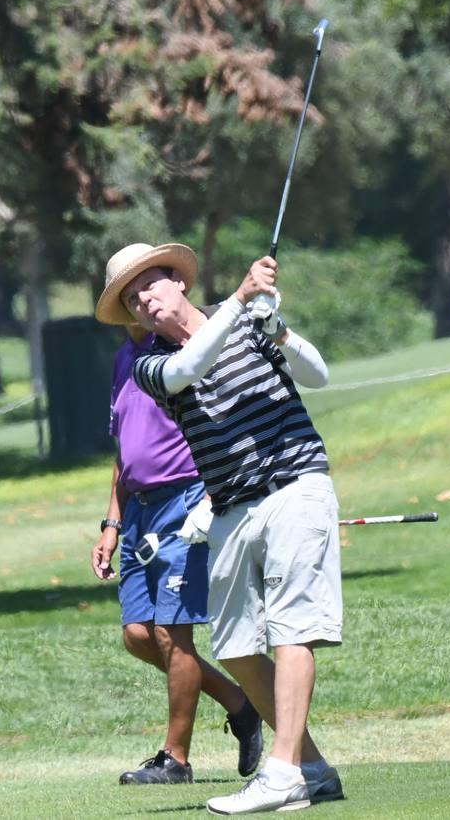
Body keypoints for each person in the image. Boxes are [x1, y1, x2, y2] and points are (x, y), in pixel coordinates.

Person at [96, 242, 345, 814]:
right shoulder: (149, 365)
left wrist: (278, 329)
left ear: (179, 283)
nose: (145, 302)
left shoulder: (247, 322)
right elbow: (189, 368)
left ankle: (281, 771)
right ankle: (311, 766)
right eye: (133, 300)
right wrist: (239, 300)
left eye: (151, 286)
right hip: (231, 506)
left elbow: (319, 375)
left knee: (290, 629)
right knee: (234, 646)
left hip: (293, 483)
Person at [91, 314, 264, 787]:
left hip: (184, 502)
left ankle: (176, 760)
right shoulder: (124, 359)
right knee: (138, 636)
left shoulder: (174, 350)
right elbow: (124, 451)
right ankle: (240, 702)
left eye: (142, 293)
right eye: (126, 296)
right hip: (139, 513)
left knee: (171, 634)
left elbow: (218, 424)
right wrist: (112, 522)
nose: (137, 303)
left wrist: (213, 495)